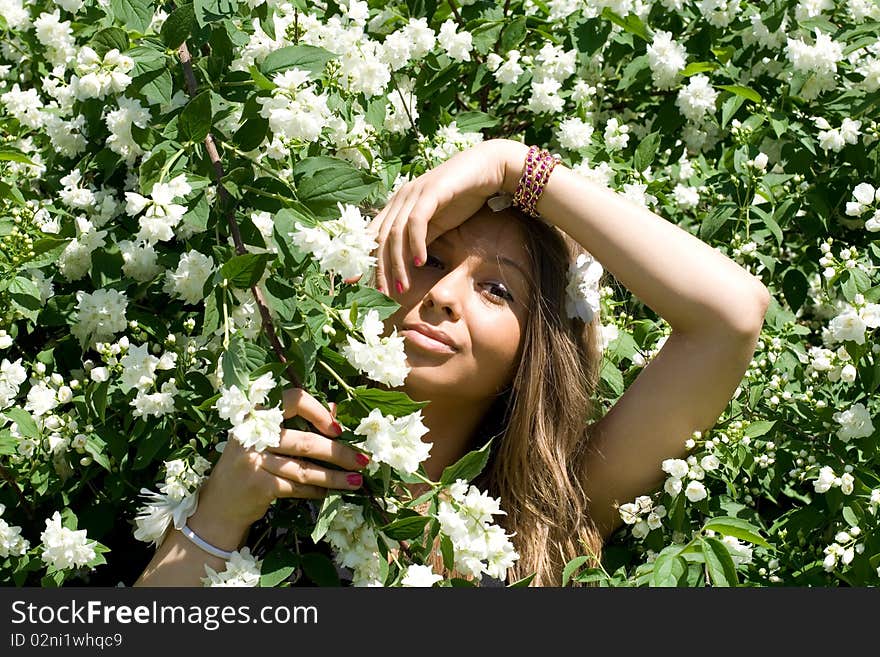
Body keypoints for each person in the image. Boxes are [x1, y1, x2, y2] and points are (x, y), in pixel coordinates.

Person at [135, 138, 770, 587]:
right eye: (432, 258)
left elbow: (731, 317)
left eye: (497, 290)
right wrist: (217, 519)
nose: (442, 295)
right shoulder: (271, 472)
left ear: (535, 353)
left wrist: (510, 164)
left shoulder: (552, 517)